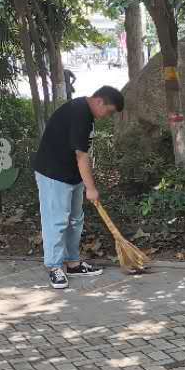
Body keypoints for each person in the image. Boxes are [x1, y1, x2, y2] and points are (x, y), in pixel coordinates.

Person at [32, 85, 125, 289]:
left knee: (75, 220)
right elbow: (81, 155)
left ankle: (72, 263)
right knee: (56, 221)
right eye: (109, 111)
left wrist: (84, 183)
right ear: (99, 101)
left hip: (71, 174)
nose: (107, 116)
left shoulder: (87, 114)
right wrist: (91, 188)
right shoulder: (79, 113)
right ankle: (55, 266)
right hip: (53, 174)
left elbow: (81, 152)